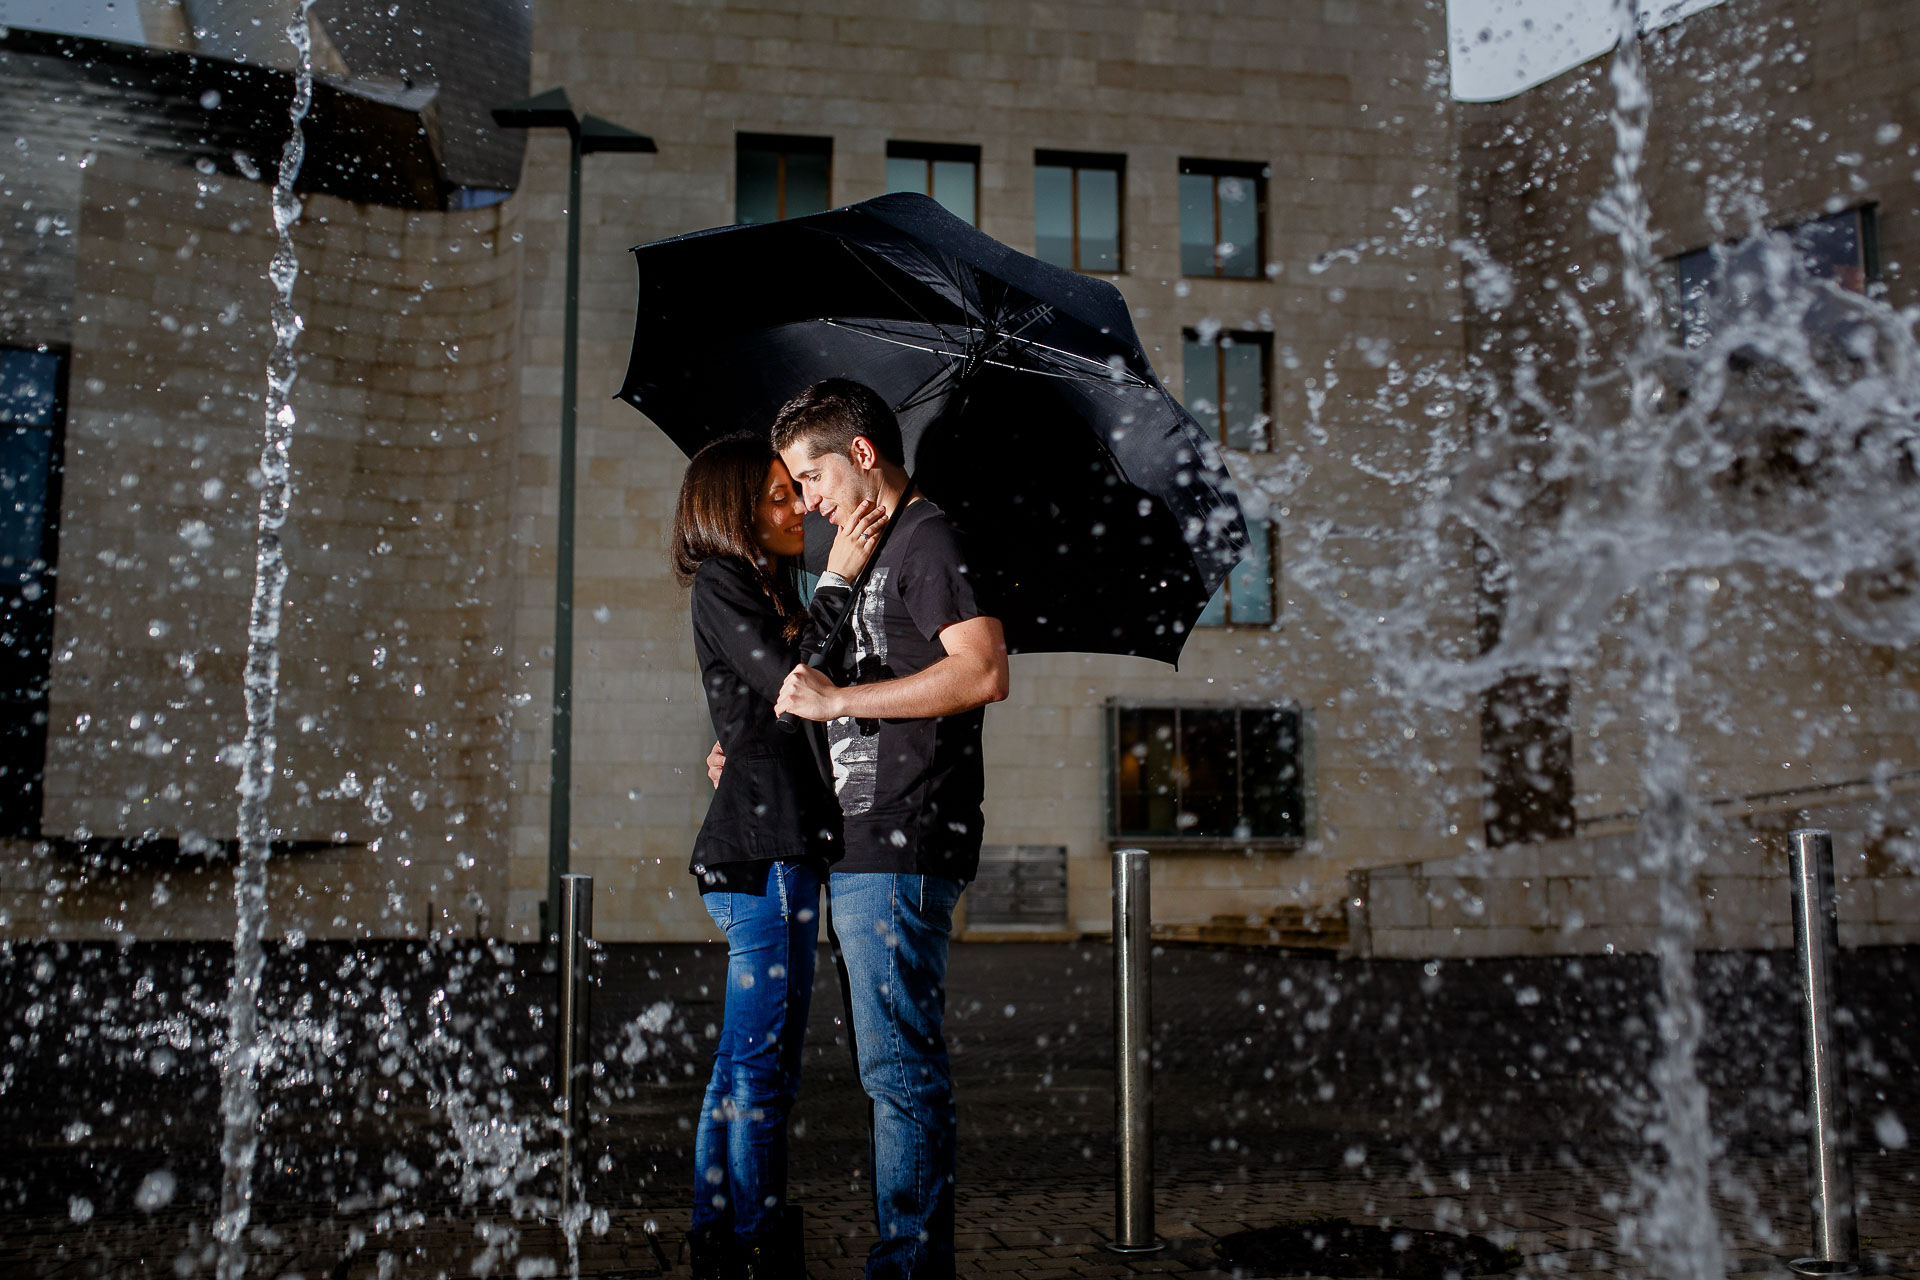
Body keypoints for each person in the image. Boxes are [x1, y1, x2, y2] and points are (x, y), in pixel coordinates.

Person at [769, 379, 1010, 1280]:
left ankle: (910, 1267)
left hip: (906, 839)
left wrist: (839, 700)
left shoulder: (929, 537)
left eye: (814, 477)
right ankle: (907, 1257)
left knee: (900, 1075)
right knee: (890, 1073)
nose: (808, 501)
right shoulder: (874, 547)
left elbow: (982, 671)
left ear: (862, 455)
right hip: (865, 842)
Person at [670, 432, 885, 1280]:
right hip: (766, 859)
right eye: (775, 496)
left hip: (767, 850)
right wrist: (839, 580)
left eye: (795, 493)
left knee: (742, 1062)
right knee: (764, 1069)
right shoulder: (725, 581)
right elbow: (795, 684)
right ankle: (757, 1242)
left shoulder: (756, 589)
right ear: (731, 513)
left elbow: (773, 711)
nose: (796, 507)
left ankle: (719, 1231)